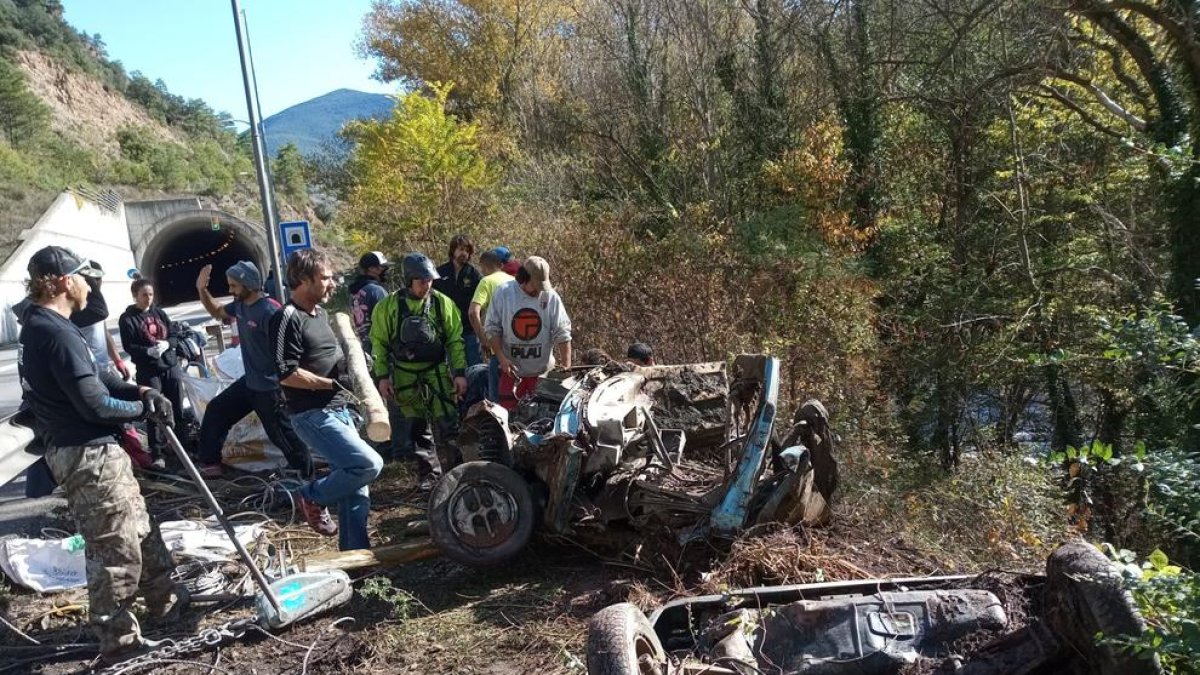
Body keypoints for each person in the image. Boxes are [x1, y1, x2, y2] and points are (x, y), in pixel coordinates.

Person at [18, 245, 185, 663]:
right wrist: (141, 410)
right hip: (86, 455)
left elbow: (97, 378)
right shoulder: (53, 332)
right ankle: (119, 642)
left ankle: (166, 600)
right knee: (115, 548)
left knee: (140, 529)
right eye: (82, 278)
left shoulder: (50, 324)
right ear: (63, 282)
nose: (89, 286)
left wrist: (139, 390)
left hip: (91, 451)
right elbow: (93, 404)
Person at [270, 248, 382, 549]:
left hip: (340, 411)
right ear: (304, 280)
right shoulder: (286, 318)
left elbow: (326, 358)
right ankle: (310, 495)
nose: (332, 284)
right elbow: (286, 373)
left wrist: (354, 365)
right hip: (311, 414)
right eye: (325, 278)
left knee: (356, 489)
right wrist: (331, 384)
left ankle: (356, 558)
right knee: (368, 464)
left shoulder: (320, 315)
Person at [194, 261, 316, 482]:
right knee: (216, 410)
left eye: (234, 285)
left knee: (283, 437)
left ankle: (307, 481)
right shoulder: (240, 305)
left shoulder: (271, 311)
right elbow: (217, 311)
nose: (230, 290)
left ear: (249, 284)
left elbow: (294, 350)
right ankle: (210, 463)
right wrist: (202, 290)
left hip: (270, 388)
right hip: (250, 382)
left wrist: (287, 385)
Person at [371, 253, 468, 490]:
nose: (427, 285)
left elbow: (455, 340)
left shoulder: (442, 304)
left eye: (430, 280)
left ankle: (460, 474)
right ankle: (430, 476)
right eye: (422, 281)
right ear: (408, 280)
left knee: (449, 424)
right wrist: (382, 377)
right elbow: (379, 344)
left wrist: (459, 372)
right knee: (418, 428)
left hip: (437, 372)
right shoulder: (388, 307)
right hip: (404, 374)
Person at [484, 256, 573, 409]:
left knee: (543, 417)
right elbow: (492, 329)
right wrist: (502, 359)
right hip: (511, 373)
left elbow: (563, 332)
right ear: (523, 278)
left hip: (542, 375)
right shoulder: (504, 293)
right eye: (535, 286)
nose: (538, 291)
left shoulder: (551, 297)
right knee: (509, 416)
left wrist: (566, 367)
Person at [118, 279, 187, 457]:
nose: (148, 298)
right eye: (144, 295)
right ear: (135, 296)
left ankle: (183, 446)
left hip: (170, 365)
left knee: (177, 406)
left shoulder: (159, 313)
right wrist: (147, 351)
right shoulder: (128, 318)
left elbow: (173, 334)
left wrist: (167, 344)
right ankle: (157, 452)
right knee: (154, 410)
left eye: (151, 294)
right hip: (148, 369)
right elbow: (129, 346)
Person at [469, 249, 514, 402]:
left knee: (496, 401)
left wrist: (484, 340)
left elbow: (473, 313)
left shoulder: (486, 281)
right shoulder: (514, 281)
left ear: (482, 266)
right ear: (501, 265)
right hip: (519, 350)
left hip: (498, 349)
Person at [433, 234, 482, 368]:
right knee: (447, 369)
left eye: (467, 250)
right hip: (444, 330)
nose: (464, 253)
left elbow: (480, 304)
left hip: (468, 330)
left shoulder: (474, 274)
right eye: (461, 249)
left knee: (475, 368)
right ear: (453, 250)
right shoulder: (439, 273)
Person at [349, 251, 391, 354]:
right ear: (371, 269)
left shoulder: (355, 292)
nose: (386, 270)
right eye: (382, 267)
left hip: (366, 347)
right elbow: (389, 323)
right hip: (382, 349)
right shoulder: (377, 291)